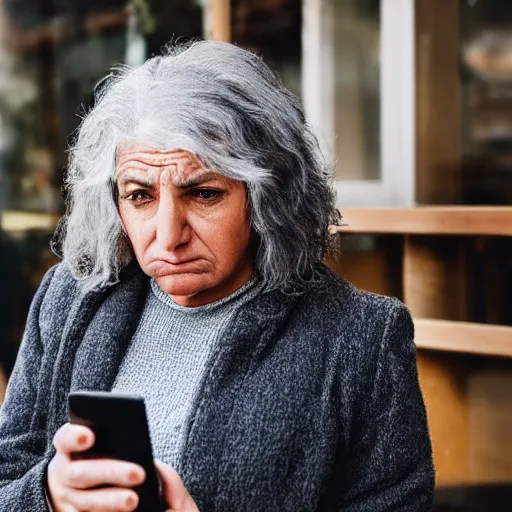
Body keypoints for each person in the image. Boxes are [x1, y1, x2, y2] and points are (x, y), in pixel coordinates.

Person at [0, 41, 435, 511]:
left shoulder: (361, 340)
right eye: (140, 196)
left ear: (270, 194)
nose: (168, 236)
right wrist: (48, 494)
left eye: (204, 194)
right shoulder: (69, 298)